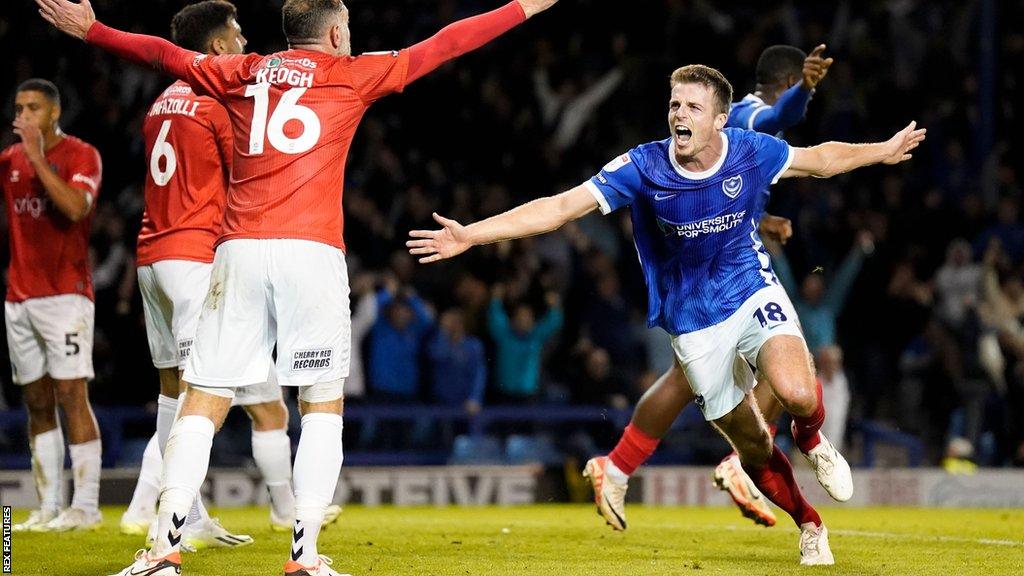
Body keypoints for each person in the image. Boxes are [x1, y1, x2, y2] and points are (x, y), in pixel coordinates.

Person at [37, 0, 559, 574]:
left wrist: (93, 29)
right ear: (336, 32)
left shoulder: (242, 70)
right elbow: (448, 42)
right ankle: (303, 557)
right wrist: (524, 6)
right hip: (310, 253)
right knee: (320, 404)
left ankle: (164, 548)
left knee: (202, 397)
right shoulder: (352, 73)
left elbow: (161, 53)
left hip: (235, 251)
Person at [407, 64, 925, 564]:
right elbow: (561, 207)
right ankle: (811, 525)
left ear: (720, 119)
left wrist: (883, 150)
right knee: (752, 444)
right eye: (675, 103)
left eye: (693, 106)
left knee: (795, 393)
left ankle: (811, 438)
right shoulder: (643, 166)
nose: (680, 113)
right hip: (692, 326)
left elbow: (822, 158)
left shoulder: (750, 150)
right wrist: (470, 234)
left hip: (750, 290)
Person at [580, 43, 836, 529]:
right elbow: (781, 115)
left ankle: (619, 465)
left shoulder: (730, 124)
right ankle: (732, 462)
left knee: (735, 365)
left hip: (716, 257)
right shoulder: (751, 117)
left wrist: (761, 222)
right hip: (703, 272)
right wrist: (805, 90)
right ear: (782, 81)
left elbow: (722, 200)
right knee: (773, 358)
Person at [118, 1, 339, 547]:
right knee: (237, 400)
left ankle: (185, 515)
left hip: (152, 256)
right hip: (202, 258)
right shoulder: (220, 103)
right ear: (217, 46)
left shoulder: (160, 105)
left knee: (176, 392)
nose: (244, 43)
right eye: (237, 35)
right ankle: (153, 510)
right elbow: (252, 171)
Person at [3, 79, 104, 532]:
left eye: (34, 108)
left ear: (55, 112)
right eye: (20, 108)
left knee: (70, 395)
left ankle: (85, 506)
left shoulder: (82, 155)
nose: (25, 116)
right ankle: (47, 506)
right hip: (19, 298)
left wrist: (37, 156)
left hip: (66, 296)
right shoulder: (8, 161)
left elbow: (75, 209)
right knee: (37, 401)